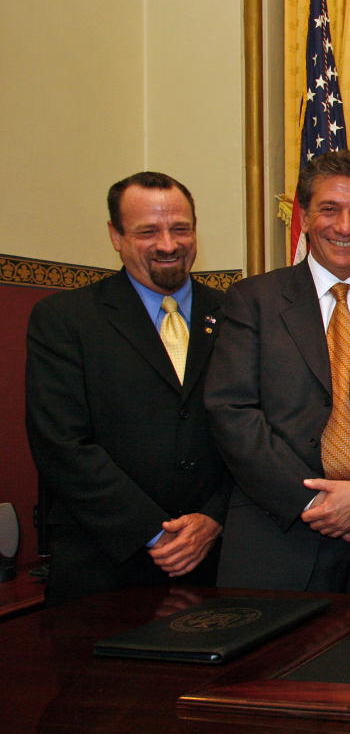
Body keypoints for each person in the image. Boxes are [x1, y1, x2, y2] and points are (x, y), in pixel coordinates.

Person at [205, 151, 350, 592]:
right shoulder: (251, 301)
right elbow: (232, 412)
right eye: (329, 209)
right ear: (305, 214)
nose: (345, 226)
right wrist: (317, 503)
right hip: (277, 541)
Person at [26, 171, 230, 604]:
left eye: (180, 229)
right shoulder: (65, 320)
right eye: (147, 232)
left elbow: (260, 428)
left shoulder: (237, 314)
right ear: (115, 236)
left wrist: (214, 517)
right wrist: (155, 532)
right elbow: (60, 444)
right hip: (104, 569)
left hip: (221, 563)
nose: (168, 244)